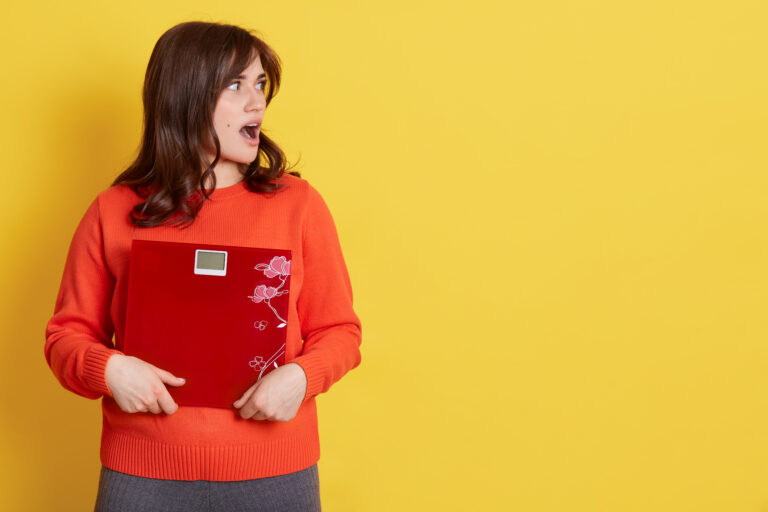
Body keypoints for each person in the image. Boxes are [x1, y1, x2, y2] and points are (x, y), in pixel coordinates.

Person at [44, 20, 362, 511]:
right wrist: (109, 370)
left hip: (276, 472)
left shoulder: (299, 205)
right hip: (142, 474)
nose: (257, 102)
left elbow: (340, 331)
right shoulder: (112, 211)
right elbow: (65, 337)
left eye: (260, 84)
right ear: (185, 98)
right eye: (236, 85)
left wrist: (301, 378)